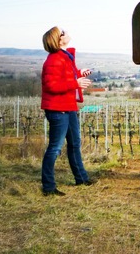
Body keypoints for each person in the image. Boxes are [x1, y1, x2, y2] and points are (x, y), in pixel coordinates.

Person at [40, 26, 96, 196]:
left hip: (68, 107)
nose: (66, 33)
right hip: (58, 110)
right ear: (58, 40)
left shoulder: (64, 57)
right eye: (62, 32)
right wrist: (76, 83)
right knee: (55, 148)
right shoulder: (53, 60)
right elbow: (52, 86)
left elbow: (65, 78)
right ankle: (48, 187)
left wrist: (79, 74)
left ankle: (81, 178)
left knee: (74, 144)